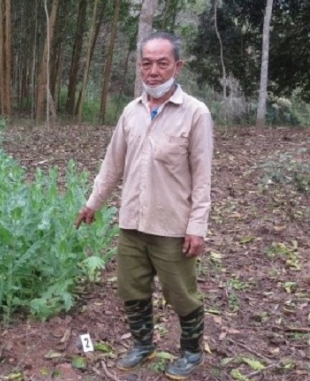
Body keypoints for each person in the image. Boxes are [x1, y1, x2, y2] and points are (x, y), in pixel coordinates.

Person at [75, 32, 213, 380]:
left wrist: (197, 226)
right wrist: (93, 203)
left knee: (181, 294)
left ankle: (192, 352)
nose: (153, 71)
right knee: (132, 289)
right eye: (146, 63)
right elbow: (112, 164)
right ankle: (143, 344)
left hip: (171, 225)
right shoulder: (130, 112)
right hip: (132, 222)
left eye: (162, 63)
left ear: (177, 66)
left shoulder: (195, 113)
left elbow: (203, 175)